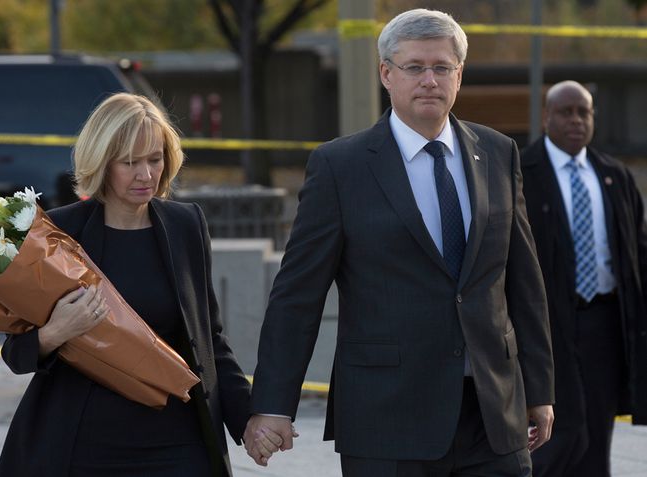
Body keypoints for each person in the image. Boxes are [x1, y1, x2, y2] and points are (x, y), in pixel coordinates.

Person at [243, 8, 555, 476]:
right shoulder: (339, 167)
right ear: (386, 74)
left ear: (459, 74)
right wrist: (272, 404)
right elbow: (297, 296)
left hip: (492, 416)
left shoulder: (497, 152)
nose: (429, 80)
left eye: (442, 67)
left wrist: (541, 388)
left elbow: (523, 281)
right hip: (388, 420)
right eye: (414, 67)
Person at [0, 93, 280, 477]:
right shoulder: (57, 233)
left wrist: (247, 419)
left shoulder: (186, 225)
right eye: (130, 162)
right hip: (83, 442)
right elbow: (15, 353)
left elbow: (208, 340)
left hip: (179, 439)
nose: (146, 174)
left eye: (155, 159)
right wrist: (55, 332)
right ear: (102, 162)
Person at [521, 80, 647, 477]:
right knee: (557, 436)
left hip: (605, 325)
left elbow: (637, 254)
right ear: (545, 118)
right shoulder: (521, 172)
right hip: (548, 326)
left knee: (596, 434)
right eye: (565, 111)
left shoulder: (615, 176)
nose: (576, 120)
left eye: (584, 112)